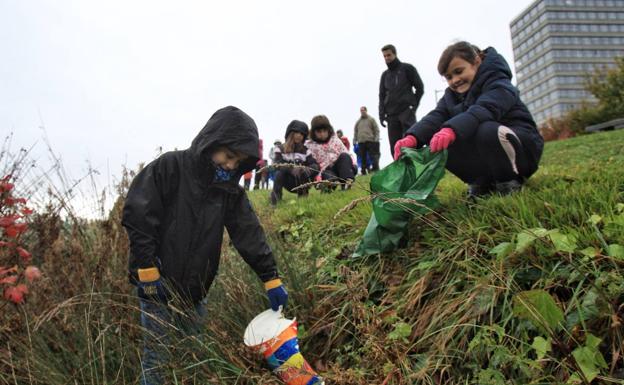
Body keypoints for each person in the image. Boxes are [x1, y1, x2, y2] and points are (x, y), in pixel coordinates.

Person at [122, 106, 288, 385]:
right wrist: (147, 270)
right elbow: (138, 216)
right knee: (157, 360)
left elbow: (248, 233)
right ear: (212, 142)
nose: (231, 166)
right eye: (229, 156)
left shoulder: (229, 192)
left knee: (193, 358)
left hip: (196, 292)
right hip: (156, 288)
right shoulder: (170, 167)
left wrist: (270, 277)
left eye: (239, 162)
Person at [394, 41, 544, 199]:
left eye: (459, 71)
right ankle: (481, 183)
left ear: (476, 62)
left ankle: (509, 181)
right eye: (449, 77)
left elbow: (484, 109)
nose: (455, 80)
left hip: (521, 150)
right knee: (438, 142)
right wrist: (413, 137)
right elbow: (436, 116)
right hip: (487, 152)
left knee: (486, 131)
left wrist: (451, 129)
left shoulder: (498, 83)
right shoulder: (451, 96)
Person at [379, 44, 425, 155]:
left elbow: (420, 87)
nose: (387, 58)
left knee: (410, 141)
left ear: (395, 54)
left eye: (389, 55)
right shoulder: (385, 75)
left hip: (406, 111)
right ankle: (400, 169)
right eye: (384, 56)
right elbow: (381, 96)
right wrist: (381, 114)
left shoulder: (407, 68)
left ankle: (416, 167)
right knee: (395, 146)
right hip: (391, 115)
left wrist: (413, 106)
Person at [270, 120, 319, 205]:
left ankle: (303, 199)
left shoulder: (306, 151)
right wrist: (291, 169)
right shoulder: (280, 148)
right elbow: (276, 164)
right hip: (287, 180)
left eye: (302, 134)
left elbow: (315, 166)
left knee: (306, 172)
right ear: (290, 133)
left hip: (301, 181)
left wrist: (308, 170)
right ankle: (275, 200)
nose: (299, 136)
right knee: (279, 173)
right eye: (297, 132)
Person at [306, 115, 356, 191]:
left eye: (324, 131)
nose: (322, 134)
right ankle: (328, 186)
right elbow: (312, 163)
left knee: (344, 156)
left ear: (328, 130)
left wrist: (353, 164)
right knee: (328, 177)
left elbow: (345, 152)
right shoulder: (310, 146)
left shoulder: (335, 140)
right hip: (325, 170)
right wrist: (317, 178)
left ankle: (346, 182)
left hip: (340, 166)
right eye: (319, 132)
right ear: (314, 132)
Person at [353, 106, 380, 175]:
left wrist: (376, 138)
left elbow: (376, 129)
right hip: (361, 142)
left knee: (373, 156)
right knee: (362, 157)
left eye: (363, 110)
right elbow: (355, 132)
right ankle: (363, 171)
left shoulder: (371, 119)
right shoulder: (358, 122)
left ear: (366, 111)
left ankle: (375, 168)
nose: (362, 112)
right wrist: (354, 140)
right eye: (361, 111)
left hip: (370, 140)